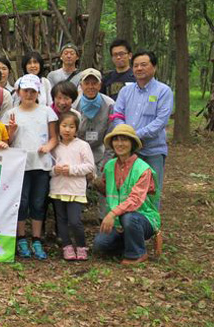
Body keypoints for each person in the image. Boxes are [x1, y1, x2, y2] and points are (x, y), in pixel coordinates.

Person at [6, 74, 58, 260]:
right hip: (20, 165)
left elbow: (54, 137)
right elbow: (7, 142)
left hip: (41, 164)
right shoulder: (11, 113)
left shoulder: (47, 112)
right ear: (18, 91)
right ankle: (21, 237)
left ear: (38, 92)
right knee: (22, 201)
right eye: (25, 90)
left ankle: (36, 238)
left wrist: (48, 147)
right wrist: (11, 132)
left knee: (38, 202)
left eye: (32, 91)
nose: (28, 94)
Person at [112, 50, 173, 208]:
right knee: (128, 189)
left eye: (144, 65)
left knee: (152, 191)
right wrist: (123, 135)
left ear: (154, 67)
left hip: (153, 150)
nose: (139, 68)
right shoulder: (126, 91)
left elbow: (160, 121)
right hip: (129, 151)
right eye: (136, 65)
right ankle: (128, 227)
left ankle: (152, 228)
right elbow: (117, 115)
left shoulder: (163, 91)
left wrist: (133, 137)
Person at [93, 124, 161, 265]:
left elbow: (135, 200)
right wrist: (94, 181)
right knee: (100, 245)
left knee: (129, 218)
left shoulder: (143, 169)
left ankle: (137, 253)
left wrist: (112, 214)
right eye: (116, 140)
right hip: (119, 220)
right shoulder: (110, 165)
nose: (119, 144)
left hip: (142, 217)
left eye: (124, 140)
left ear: (132, 144)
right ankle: (131, 242)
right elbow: (109, 191)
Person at [49, 112, 95, 261]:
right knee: (61, 220)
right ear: (58, 127)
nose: (67, 130)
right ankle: (67, 246)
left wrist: (71, 170)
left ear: (76, 129)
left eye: (71, 126)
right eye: (64, 126)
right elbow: (47, 167)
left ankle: (81, 246)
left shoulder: (83, 145)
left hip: (75, 189)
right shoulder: (54, 146)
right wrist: (54, 170)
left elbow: (89, 166)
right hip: (58, 188)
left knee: (75, 220)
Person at [73, 69, 114, 172]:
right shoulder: (74, 105)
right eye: (87, 83)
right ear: (81, 86)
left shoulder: (110, 105)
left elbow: (111, 134)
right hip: (77, 155)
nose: (90, 87)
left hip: (100, 152)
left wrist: (107, 160)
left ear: (100, 86)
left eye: (94, 83)